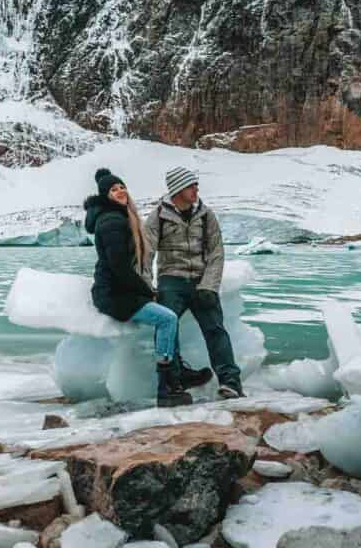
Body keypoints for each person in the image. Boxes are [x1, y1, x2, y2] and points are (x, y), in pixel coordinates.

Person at [84, 167, 193, 408]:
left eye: (122, 187)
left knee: (166, 312)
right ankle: (166, 387)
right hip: (113, 295)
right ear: (105, 195)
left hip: (119, 290)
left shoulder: (119, 216)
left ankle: (177, 374)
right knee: (167, 319)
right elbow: (119, 268)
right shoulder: (112, 221)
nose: (120, 191)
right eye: (114, 189)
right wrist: (146, 292)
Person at [145, 166, 244, 399]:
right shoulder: (158, 216)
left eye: (195, 185)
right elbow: (146, 254)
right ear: (178, 189)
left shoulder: (206, 215)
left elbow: (216, 253)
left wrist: (209, 286)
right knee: (166, 326)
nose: (196, 189)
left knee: (215, 329)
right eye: (191, 185)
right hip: (171, 280)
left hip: (201, 280)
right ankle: (175, 379)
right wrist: (148, 286)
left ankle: (231, 382)